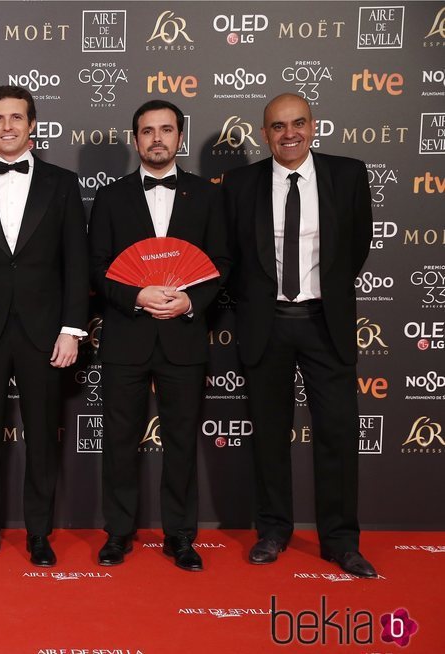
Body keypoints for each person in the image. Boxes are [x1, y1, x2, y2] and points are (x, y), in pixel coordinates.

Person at [222, 93, 376, 578]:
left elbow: (356, 247)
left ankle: (341, 541)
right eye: (277, 126)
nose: (289, 134)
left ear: (313, 125)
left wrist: (322, 294)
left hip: (324, 324)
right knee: (268, 436)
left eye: (298, 124)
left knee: (337, 434)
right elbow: (233, 255)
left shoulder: (347, 174)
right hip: (265, 326)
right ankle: (272, 531)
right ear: (263, 133)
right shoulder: (241, 182)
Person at [0, 86, 88, 567]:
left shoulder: (63, 184)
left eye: (16, 118)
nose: (7, 126)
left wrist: (72, 328)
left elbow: (76, 264)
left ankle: (39, 536)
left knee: (43, 438)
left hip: (45, 331)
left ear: (32, 125)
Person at [88, 100, 230, 571]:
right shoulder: (110, 198)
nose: (156, 139)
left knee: (183, 442)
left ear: (180, 138)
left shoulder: (207, 196)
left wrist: (191, 302)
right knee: (120, 441)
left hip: (185, 338)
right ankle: (118, 533)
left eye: (166, 130)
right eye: (147, 130)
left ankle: (180, 536)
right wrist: (136, 296)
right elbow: (98, 267)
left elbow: (221, 265)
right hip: (126, 337)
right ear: (135, 140)